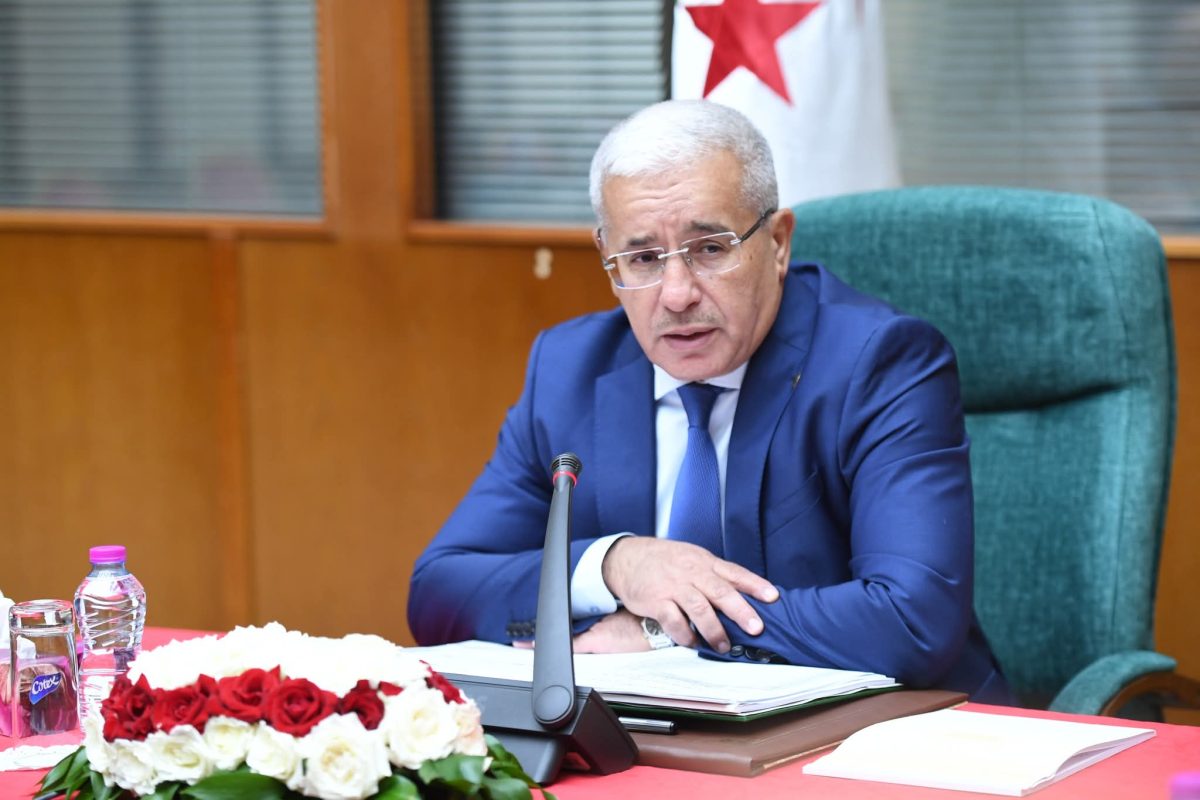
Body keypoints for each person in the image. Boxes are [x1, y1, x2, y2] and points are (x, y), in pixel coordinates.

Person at [408, 99, 1011, 703]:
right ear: (608, 260)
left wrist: (665, 629)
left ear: (778, 243)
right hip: (659, 735)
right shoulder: (569, 369)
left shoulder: (880, 362)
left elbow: (911, 618)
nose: (676, 295)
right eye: (643, 258)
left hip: (890, 731)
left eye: (710, 249)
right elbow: (440, 591)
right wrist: (615, 565)